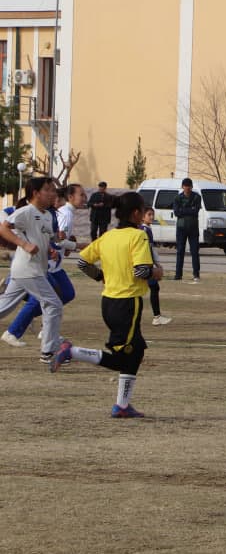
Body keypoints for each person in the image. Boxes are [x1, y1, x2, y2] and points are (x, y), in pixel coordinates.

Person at [55, 191, 161, 418]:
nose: (144, 214)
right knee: (122, 358)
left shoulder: (108, 236)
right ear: (135, 213)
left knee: (137, 351)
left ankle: (122, 406)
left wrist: (101, 276)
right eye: (143, 210)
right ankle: (72, 352)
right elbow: (141, 270)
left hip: (109, 301)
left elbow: (83, 261)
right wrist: (157, 271)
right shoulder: (138, 236)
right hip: (127, 303)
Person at [0, 176, 69, 364]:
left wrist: (50, 249)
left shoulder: (46, 214)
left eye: (54, 190)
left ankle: (49, 349)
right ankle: (49, 351)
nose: (53, 193)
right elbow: (3, 228)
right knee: (53, 304)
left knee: (4, 306)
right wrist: (23, 244)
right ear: (36, 193)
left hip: (30, 270)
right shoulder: (26, 212)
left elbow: (43, 238)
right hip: (28, 270)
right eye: (48, 189)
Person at [141, 207, 172, 325]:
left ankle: (157, 316)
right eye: (149, 215)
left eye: (152, 215)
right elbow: (148, 248)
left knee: (153, 288)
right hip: (145, 264)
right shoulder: (144, 230)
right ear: (143, 216)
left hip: (146, 263)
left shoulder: (147, 228)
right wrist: (155, 263)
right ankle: (156, 317)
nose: (152, 217)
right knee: (153, 287)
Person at [172, 177, 201, 283]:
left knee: (194, 251)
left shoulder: (196, 197)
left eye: (189, 186)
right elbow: (177, 212)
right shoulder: (177, 198)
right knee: (180, 251)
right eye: (185, 186)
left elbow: (196, 211)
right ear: (182, 187)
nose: (187, 188)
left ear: (191, 187)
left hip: (193, 227)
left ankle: (196, 274)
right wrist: (189, 209)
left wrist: (183, 210)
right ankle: (178, 274)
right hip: (181, 228)